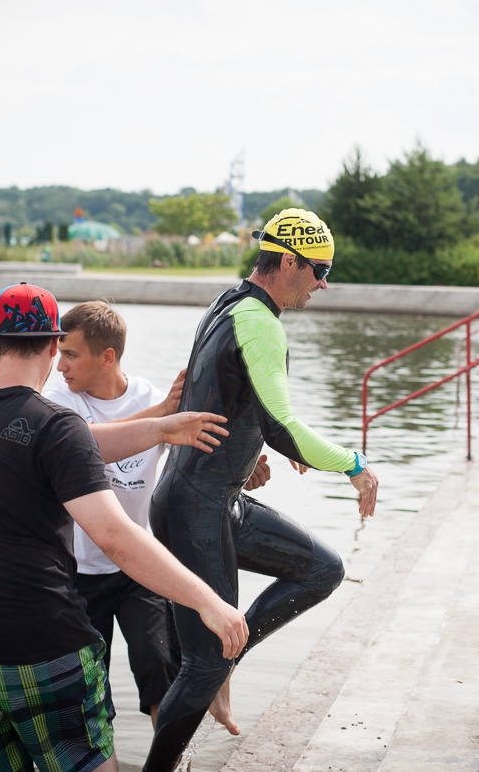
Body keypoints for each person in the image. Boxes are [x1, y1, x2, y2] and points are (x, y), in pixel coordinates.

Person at [0, 282, 249, 772]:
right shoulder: (56, 426)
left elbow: (74, 443)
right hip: (36, 637)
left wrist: (161, 427)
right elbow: (113, 535)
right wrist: (208, 601)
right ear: (53, 346)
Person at [142, 209, 381, 772]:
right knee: (202, 666)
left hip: (206, 499)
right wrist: (354, 465)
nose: (323, 284)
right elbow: (283, 425)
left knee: (321, 569)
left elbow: (231, 396)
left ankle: (229, 648)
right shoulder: (260, 322)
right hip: (197, 508)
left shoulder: (227, 303)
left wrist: (255, 446)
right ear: (290, 261)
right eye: (320, 270)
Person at [42, 301, 272, 728]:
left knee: (160, 666)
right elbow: (81, 442)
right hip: (75, 572)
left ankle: (168, 755)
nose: (60, 365)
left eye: (70, 354)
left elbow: (197, 459)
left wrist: (242, 471)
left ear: (107, 357)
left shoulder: (150, 396)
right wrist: (163, 416)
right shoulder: (58, 400)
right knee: (82, 688)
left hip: (136, 566)